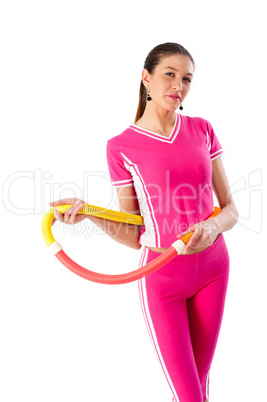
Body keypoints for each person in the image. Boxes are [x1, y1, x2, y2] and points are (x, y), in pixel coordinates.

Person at [50, 42, 239, 402]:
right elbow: (133, 233)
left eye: (186, 78)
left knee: (200, 388)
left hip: (214, 267)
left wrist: (212, 227)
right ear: (146, 78)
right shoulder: (121, 146)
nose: (178, 86)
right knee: (190, 395)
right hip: (163, 276)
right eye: (169, 74)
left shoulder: (202, 129)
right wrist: (89, 212)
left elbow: (230, 208)